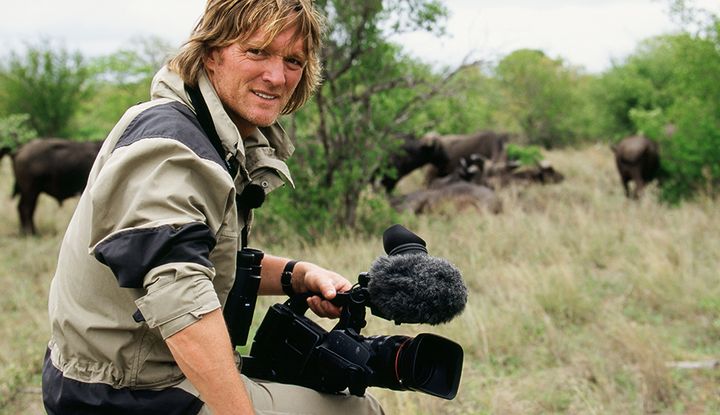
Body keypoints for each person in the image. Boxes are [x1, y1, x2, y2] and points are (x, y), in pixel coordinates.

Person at [41, 1, 385, 414]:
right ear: (210, 53)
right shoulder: (170, 148)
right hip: (130, 391)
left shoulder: (207, 133)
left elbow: (200, 259)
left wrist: (298, 275)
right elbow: (179, 298)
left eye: (293, 60)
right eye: (257, 51)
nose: (276, 76)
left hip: (120, 375)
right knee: (360, 412)